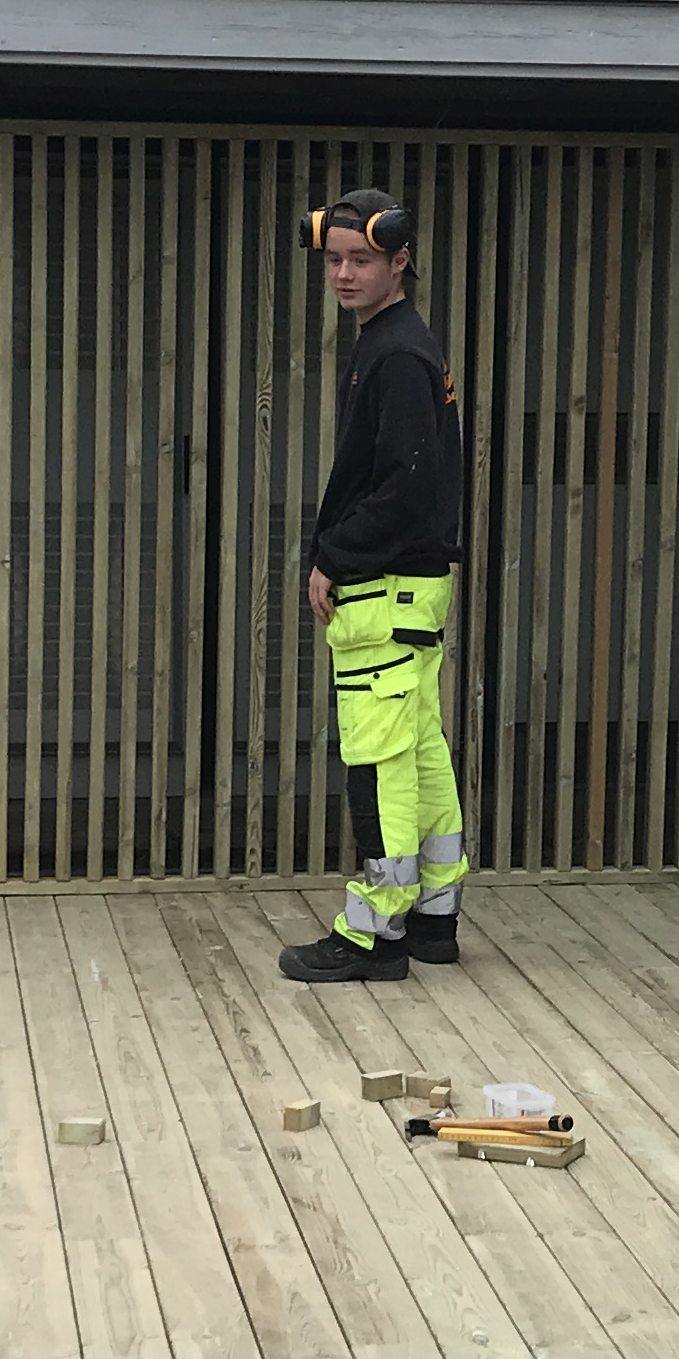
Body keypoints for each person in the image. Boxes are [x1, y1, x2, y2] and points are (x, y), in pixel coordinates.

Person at [283, 187, 470, 983]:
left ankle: (376, 934)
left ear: (401, 261)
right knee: (420, 747)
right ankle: (433, 918)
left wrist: (334, 556)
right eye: (334, 260)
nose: (344, 274)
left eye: (361, 259)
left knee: (378, 759)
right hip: (414, 588)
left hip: (384, 588)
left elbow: (406, 488)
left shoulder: (394, 355)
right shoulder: (400, 343)